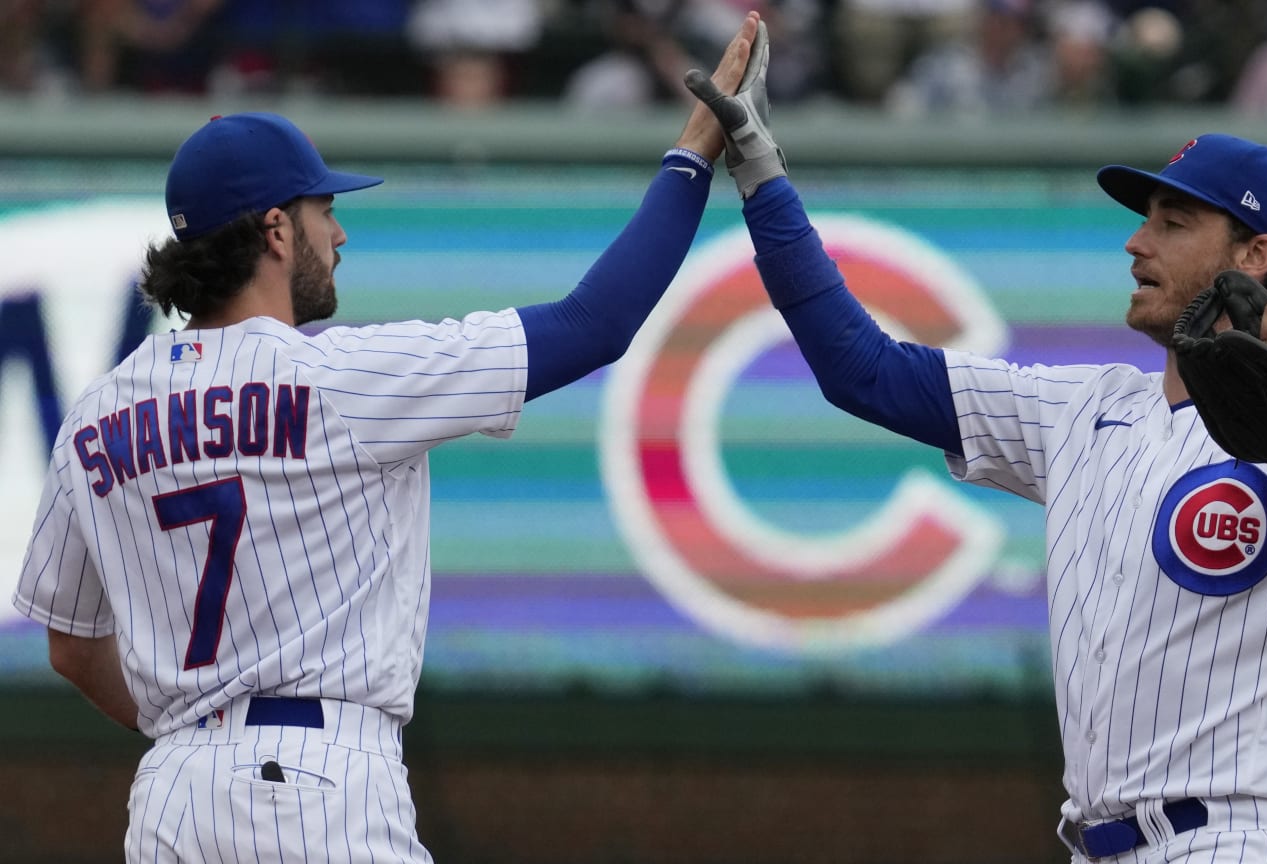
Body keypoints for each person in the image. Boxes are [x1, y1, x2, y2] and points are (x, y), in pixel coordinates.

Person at [686, 34, 1267, 863]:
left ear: (1255, 257)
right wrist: (760, 171)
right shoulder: (1081, 408)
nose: (1137, 242)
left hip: (1238, 838)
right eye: (1144, 221)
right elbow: (859, 370)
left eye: (1174, 222)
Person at [10, 11, 762, 861]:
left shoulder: (97, 416)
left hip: (171, 800)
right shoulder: (344, 377)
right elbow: (596, 324)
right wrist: (692, 152)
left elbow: (72, 646)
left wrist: (191, 733)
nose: (339, 234)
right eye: (322, 210)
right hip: (319, 780)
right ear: (274, 229)